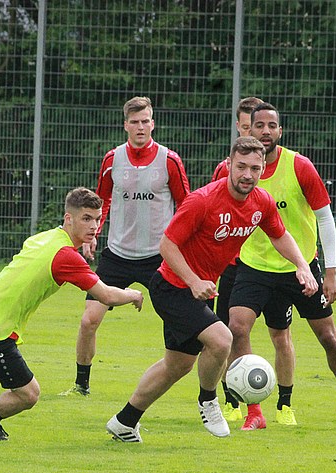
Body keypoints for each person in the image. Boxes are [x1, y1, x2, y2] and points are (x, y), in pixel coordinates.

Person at [106, 136, 317, 443]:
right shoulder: (203, 200)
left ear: (262, 169)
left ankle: (124, 422)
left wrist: (301, 265)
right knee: (222, 340)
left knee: (176, 366)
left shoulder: (262, 202)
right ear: (228, 165)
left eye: (255, 168)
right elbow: (167, 245)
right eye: (241, 167)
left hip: (196, 291)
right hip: (172, 287)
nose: (247, 175)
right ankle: (208, 401)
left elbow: (279, 235)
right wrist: (193, 280)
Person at [0, 187, 144, 441]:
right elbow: (106, 295)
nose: (93, 226)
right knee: (29, 393)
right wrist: (133, 294)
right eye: (86, 218)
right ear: (69, 218)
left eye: (97, 219)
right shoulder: (66, 256)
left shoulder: (49, 237)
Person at [226, 102, 336, 431]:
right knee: (237, 328)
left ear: (280, 131)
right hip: (254, 266)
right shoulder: (237, 170)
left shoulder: (299, 166)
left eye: (272, 126)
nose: (266, 131)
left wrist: (331, 272)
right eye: (259, 125)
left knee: (329, 338)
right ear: (248, 128)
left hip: (301, 267)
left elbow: (325, 218)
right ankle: (254, 412)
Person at [61, 96, 190, 397]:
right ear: (125, 126)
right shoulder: (112, 159)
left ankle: (190, 381)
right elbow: (101, 202)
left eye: (145, 121)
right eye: (134, 122)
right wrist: (92, 234)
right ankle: (81, 385)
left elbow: (186, 206)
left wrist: (183, 247)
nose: (140, 127)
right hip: (117, 255)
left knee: (179, 320)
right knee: (89, 320)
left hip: (158, 257)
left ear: (153, 124)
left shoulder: (169, 160)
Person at [209, 96, 264, 422]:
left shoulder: (268, 170)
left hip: (261, 266)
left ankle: (280, 404)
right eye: (245, 128)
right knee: (227, 333)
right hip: (230, 265)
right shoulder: (225, 171)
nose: (249, 134)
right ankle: (231, 400)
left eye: (253, 128)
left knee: (277, 333)